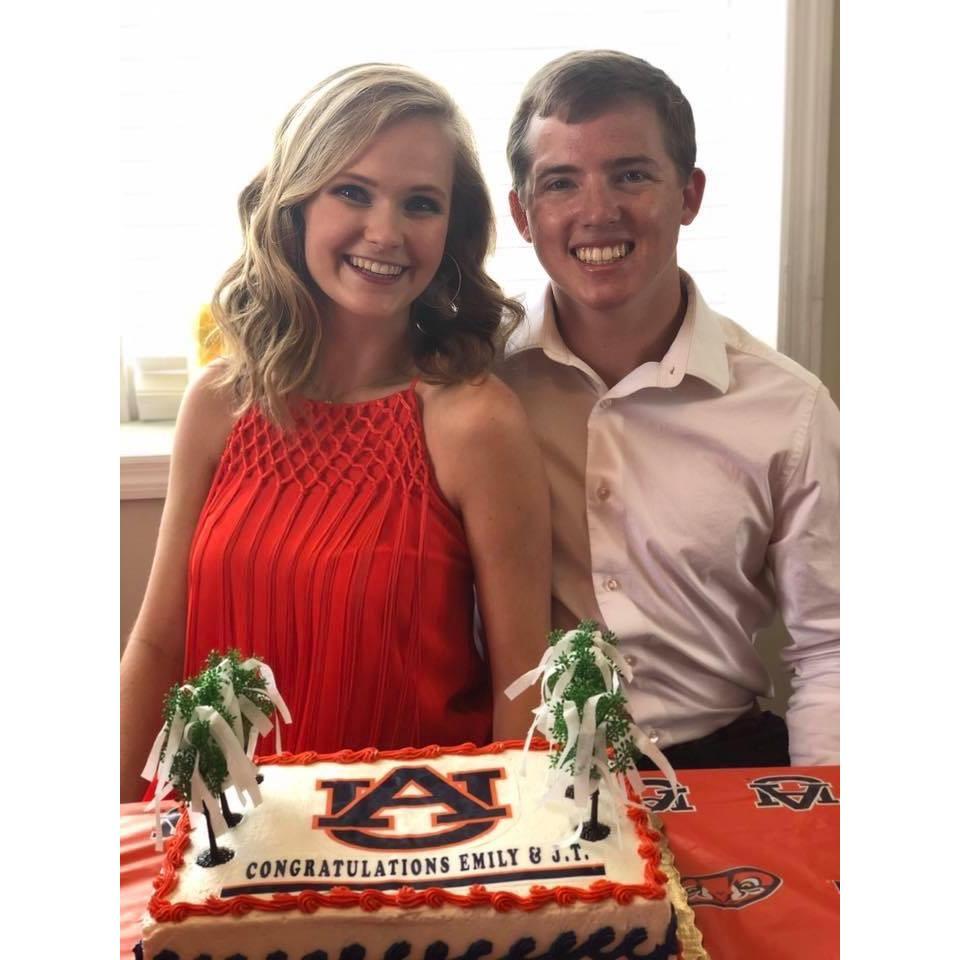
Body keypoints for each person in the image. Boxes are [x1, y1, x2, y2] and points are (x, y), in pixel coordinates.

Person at [120, 64, 551, 801]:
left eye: (421, 203)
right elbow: (159, 644)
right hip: (219, 835)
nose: (385, 232)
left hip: (408, 837)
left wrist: (512, 850)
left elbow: (524, 687)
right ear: (296, 204)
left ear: (452, 231)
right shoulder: (219, 402)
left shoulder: (475, 422)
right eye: (352, 191)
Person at [500, 50, 839, 768]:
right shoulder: (477, 382)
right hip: (524, 766)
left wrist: (820, 817)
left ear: (689, 195)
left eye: (631, 175)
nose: (598, 212)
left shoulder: (788, 408)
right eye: (561, 183)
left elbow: (836, 645)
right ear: (523, 215)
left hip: (719, 758)